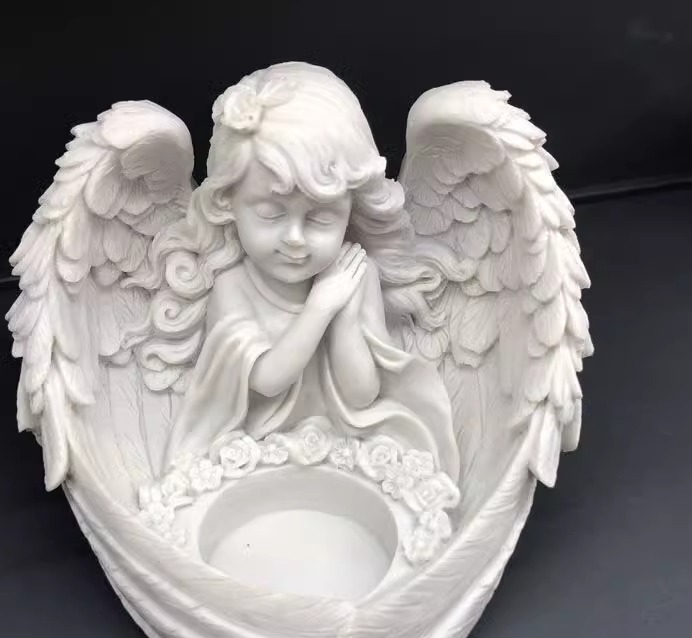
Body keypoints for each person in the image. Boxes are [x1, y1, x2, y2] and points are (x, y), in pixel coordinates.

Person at [149, 62, 460, 481]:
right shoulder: (233, 284)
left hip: (343, 445)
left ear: (350, 211)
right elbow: (267, 379)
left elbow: (362, 393)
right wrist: (322, 306)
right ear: (228, 203)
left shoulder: (355, 274)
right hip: (256, 450)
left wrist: (345, 315)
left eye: (320, 219)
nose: (294, 238)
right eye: (270, 214)